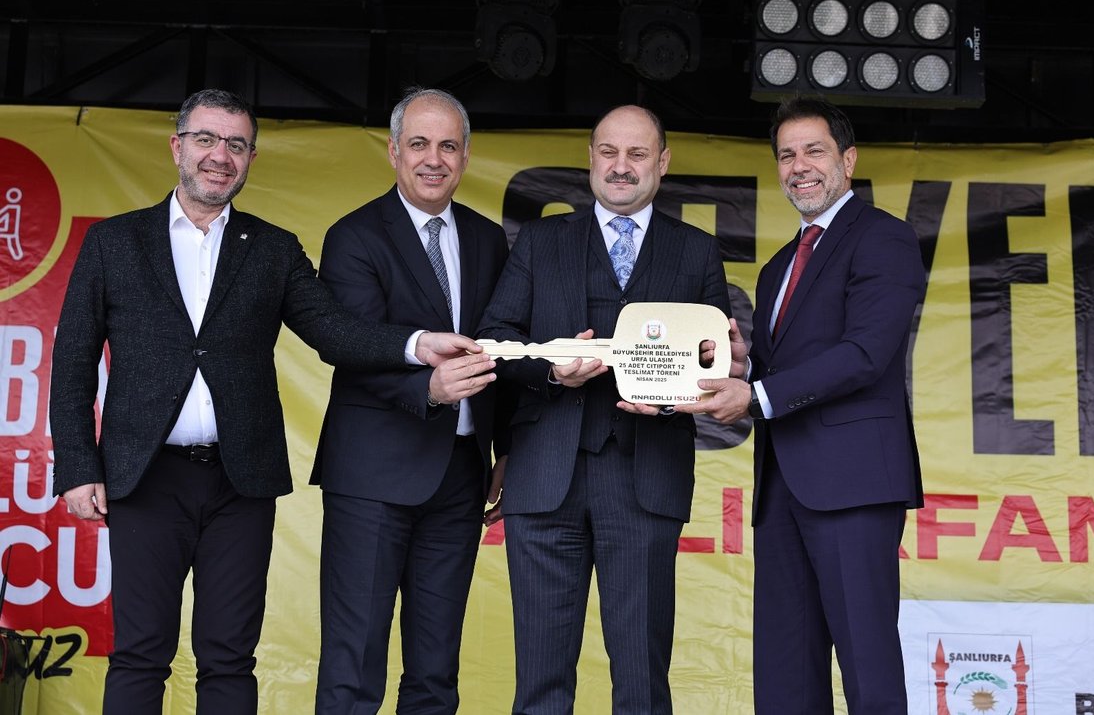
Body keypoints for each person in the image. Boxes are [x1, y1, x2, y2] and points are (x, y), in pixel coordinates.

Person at [48, 88, 486, 715]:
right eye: (206, 139)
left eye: (236, 145)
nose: (219, 156)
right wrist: (78, 467)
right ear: (177, 147)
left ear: (251, 158)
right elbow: (72, 366)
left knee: (230, 658)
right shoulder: (115, 242)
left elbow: (335, 331)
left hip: (240, 481)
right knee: (140, 654)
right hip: (144, 476)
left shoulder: (273, 248)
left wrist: (417, 344)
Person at [674, 96, 926, 714]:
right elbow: (780, 370)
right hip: (782, 487)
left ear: (848, 159)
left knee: (868, 670)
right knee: (785, 677)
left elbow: (865, 353)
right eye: (786, 155)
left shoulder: (885, 237)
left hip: (855, 484)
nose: (799, 167)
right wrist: (741, 369)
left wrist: (757, 395)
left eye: (814, 151)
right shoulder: (778, 266)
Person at [477, 104, 731, 714]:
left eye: (637, 154)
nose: (621, 167)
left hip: (646, 477)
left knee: (642, 681)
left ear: (662, 163)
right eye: (609, 152)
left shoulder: (696, 251)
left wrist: (673, 398)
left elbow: (713, 362)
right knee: (540, 682)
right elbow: (495, 338)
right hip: (546, 476)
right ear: (591, 158)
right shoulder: (541, 241)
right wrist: (551, 369)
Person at [310, 87, 510, 714]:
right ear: (394, 151)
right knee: (353, 668)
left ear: (466, 157)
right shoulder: (354, 236)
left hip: (460, 477)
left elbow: (503, 349)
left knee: (435, 673)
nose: (433, 159)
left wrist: (507, 448)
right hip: (372, 478)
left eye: (448, 146)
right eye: (419, 144)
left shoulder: (488, 239)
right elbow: (350, 345)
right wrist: (426, 387)